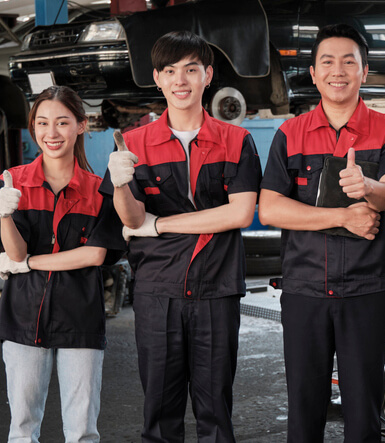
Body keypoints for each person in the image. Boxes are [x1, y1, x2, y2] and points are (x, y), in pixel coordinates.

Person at [100, 31, 262, 442]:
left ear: (208, 76)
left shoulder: (237, 140)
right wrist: (121, 183)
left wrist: (161, 224)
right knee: (159, 412)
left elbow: (240, 213)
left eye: (191, 69)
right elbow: (133, 218)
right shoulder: (133, 144)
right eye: (170, 71)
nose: (181, 80)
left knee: (215, 413)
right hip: (159, 290)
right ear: (157, 78)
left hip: (216, 288)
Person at [259, 23, 385, 442]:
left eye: (350, 61)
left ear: (365, 72)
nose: (338, 70)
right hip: (304, 291)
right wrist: (342, 216)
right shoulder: (289, 134)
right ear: (313, 73)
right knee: (304, 410)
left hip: (366, 292)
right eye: (327, 61)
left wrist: (368, 187)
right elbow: (270, 207)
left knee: (363, 415)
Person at [0, 85, 124, 442]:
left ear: (81, 125)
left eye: (62, 122)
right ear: (33, 128)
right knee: (23, 428)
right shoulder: (12, 182)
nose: (51, 133)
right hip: (23, 319)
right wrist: (6, 216)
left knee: (82, 431)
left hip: (81, 318)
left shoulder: (98, 190)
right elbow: (12, 254)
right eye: (42, 123)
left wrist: (30, 262)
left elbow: (95, 255)